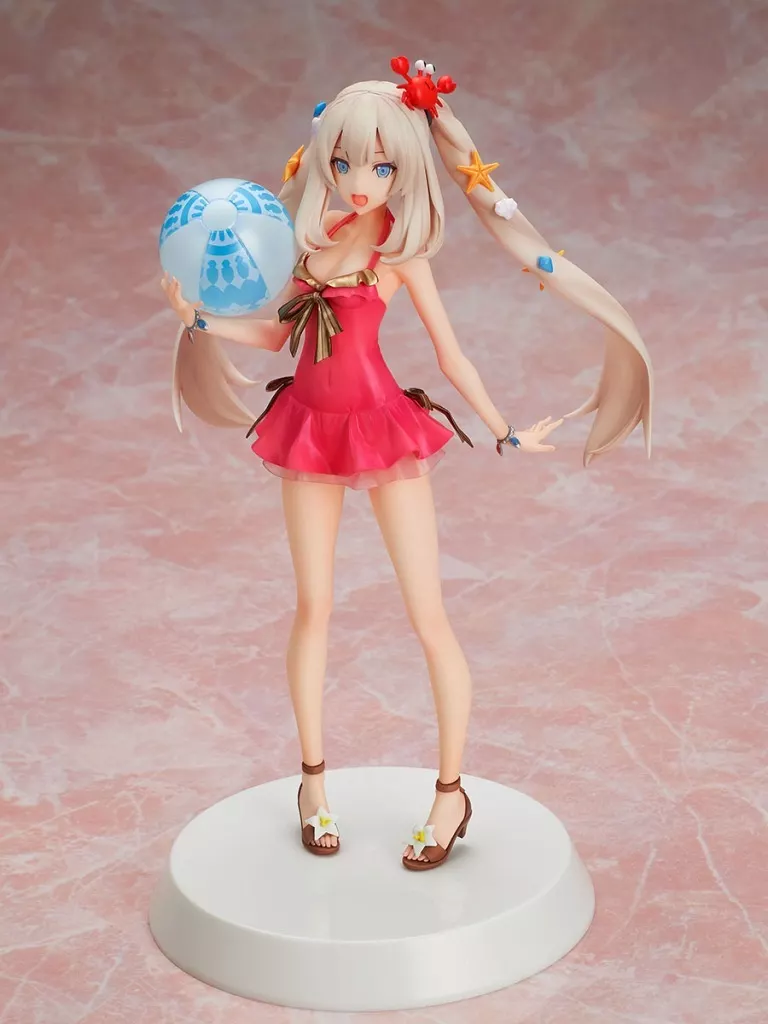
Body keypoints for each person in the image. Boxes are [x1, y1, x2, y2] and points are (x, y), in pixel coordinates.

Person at [161, 59, 653, 870]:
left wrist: (502, 429)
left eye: (381, 167)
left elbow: (451, 355)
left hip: (384, 431)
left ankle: (451, 792)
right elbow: (280, 337)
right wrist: (201, 320)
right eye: (345, 162)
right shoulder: (310, 242)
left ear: (405, 169)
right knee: (312, 607)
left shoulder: (399, 251)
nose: (360, 182)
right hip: (308, 429)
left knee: (428, 616)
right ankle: (312, 786)